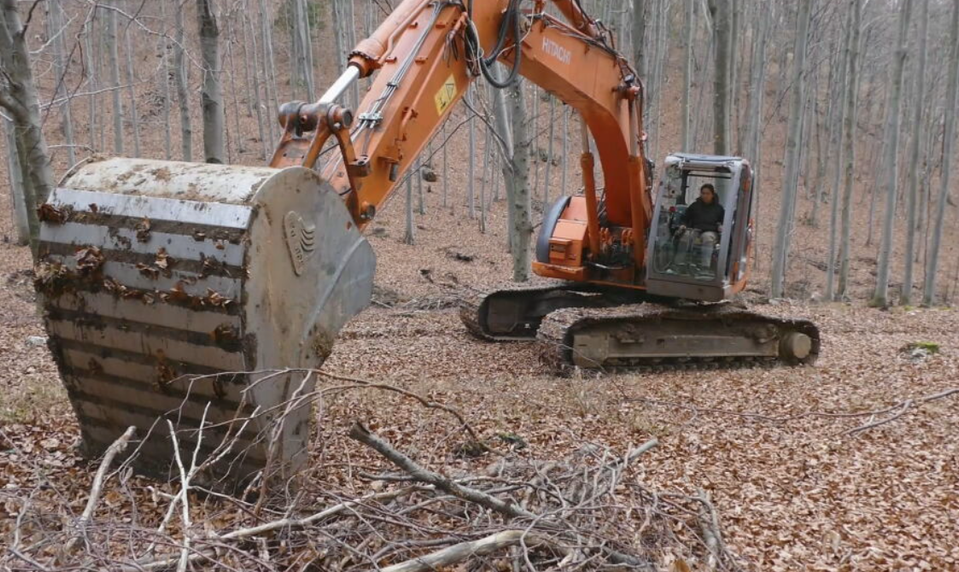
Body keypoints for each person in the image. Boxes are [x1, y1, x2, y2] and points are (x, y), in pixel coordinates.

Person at [677, 184, 725, 271]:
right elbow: (685, 218)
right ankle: (679, 263)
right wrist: (683, 224)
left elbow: (723, 222)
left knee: (707, 238)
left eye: (707, 193)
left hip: (711, 231)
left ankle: (705, 266)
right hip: (695, 229)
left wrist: (721, 226)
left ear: (712, 195)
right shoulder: (695, 206)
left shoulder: (718, 208)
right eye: (703, 193)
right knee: (686, 236)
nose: (705, 196)